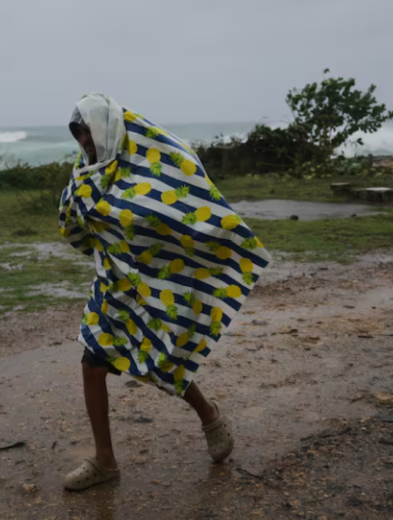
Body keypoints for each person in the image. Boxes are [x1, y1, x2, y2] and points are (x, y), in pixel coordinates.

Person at [59, 93, 272, 491]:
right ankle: (105, 462)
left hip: (154, 284)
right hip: (111, 285)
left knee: (161, 359)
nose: (84, 141)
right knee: (92, 363)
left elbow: (184, 208)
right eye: (78, 134)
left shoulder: (152, 167)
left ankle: (209, 415)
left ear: (106, 127)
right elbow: (76, 223)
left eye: (88, 131)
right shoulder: (86, 173)